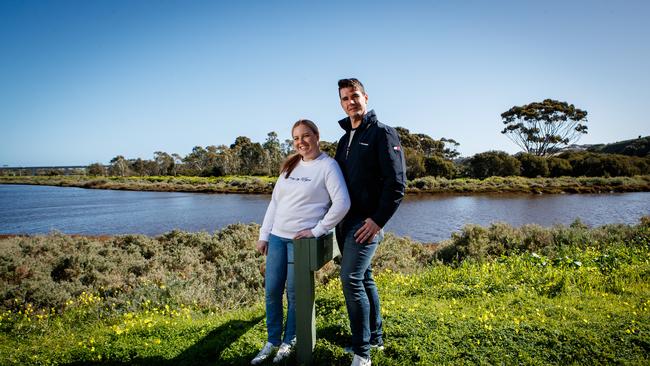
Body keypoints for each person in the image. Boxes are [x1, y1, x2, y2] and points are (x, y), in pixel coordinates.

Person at [251, 119, 351, 365]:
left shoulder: (328, 166)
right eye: (296, 138)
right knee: (272, 291)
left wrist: (317, 230)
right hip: (277, 237)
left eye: (305, 136)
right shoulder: (290, 165)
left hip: (300, 242)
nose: (301, 142)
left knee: (295, 294)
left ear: (317, 136)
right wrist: (264, 235)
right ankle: (272, 341)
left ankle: (289, 341)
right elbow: (275, 203)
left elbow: (342, 203)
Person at [334, 78, 406, 366]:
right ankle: (374, 339)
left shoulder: (383, 133)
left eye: (354, 96)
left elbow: (396, 184)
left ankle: (362, 353)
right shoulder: (343, 139)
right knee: (364, 278)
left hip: (366, 223)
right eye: (344, 98)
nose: (350, 102)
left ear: (365, 97)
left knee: (350, 279)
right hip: (345, 222)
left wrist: (377, 221)